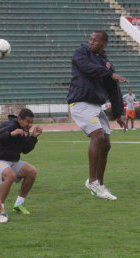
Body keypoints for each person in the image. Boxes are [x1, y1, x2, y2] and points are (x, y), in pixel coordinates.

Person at [67, 31, 128, 200]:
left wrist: (117, 114)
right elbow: (87, 68)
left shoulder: (106, 64)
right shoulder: (82, 53)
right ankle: (92, 182)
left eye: (95, 40)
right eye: (91, 39)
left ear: (104, 44)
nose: (91, 42)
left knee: (106, 144)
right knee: (97, 136)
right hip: (80, 102)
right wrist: (109, 74)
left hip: (96, 105)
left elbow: (114, 89)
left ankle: (99, 184)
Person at [0, 108, 42, 215]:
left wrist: (33, 137)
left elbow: (25, 150)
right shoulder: (9, 125)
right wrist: (11, 134)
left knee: (32, 172)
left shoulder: (25, 131)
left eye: (31, 123)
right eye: (27, 122)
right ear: (20, 119)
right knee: (10, 175)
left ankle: (19, 204)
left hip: (13, 161)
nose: (29, 125)